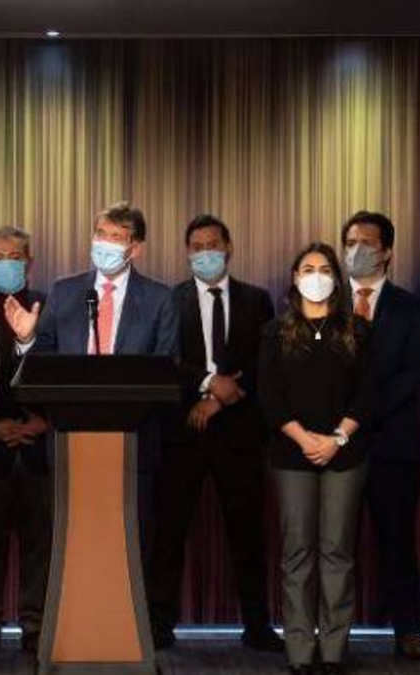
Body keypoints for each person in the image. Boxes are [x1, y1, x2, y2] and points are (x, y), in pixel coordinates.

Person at [4, 201, 178, 559]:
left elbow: (167, 372)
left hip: (133, 445)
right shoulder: (64, 292)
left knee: (130, 552)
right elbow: (40, 367)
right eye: (100, 234)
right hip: (71, 443)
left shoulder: (161, 298)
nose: (105, 244)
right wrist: (26, 339)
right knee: (74, 551)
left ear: (135, 248)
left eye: (116, 237)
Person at [148, 214, 281, 653]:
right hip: (181, 435)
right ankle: (160, 624)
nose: (205, 252)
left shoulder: (257, 300)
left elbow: (263, 364)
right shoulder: (171, 300)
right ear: (187, 253)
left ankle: (257, 626)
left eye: (213, 244)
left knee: (248, 534)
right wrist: (208, 383)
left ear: (229, 248)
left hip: (239, 435)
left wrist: (219, 400)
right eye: (197, 246)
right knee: (169, 535)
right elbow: (166, 361)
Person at [258, 243, 375, 675]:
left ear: (336, 279)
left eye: (325, 268)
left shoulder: (358, 331)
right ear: (295, 277)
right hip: (292, 454)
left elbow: (368, 394)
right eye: (307, 268)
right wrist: (304, 438)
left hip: (346, 453)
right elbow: (269, 397)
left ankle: (333, 650)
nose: (316, 275)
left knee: (337, 551)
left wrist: (337, 438)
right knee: (297, 553)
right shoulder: (274, 332)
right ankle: (300, 651)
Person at [341, 211, 420, 659]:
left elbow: (414, 372)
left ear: (387, 252)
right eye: (350, 242)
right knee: (335, 546)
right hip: (335, 446)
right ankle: (332, 632)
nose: (357, 250)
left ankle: (408, 630)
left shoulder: (411, 307)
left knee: (397, 542)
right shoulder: (323, 302)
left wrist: (360, 414)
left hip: (392, 444)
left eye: (367, 242)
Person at [0, 227, 50, 655]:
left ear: (29, 262)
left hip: (41, 448)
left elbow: (62, 369)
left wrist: (44, 422)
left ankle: (36, 625)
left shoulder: (50, 307)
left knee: (41, 545)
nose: (5, 264)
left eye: (14, 256)